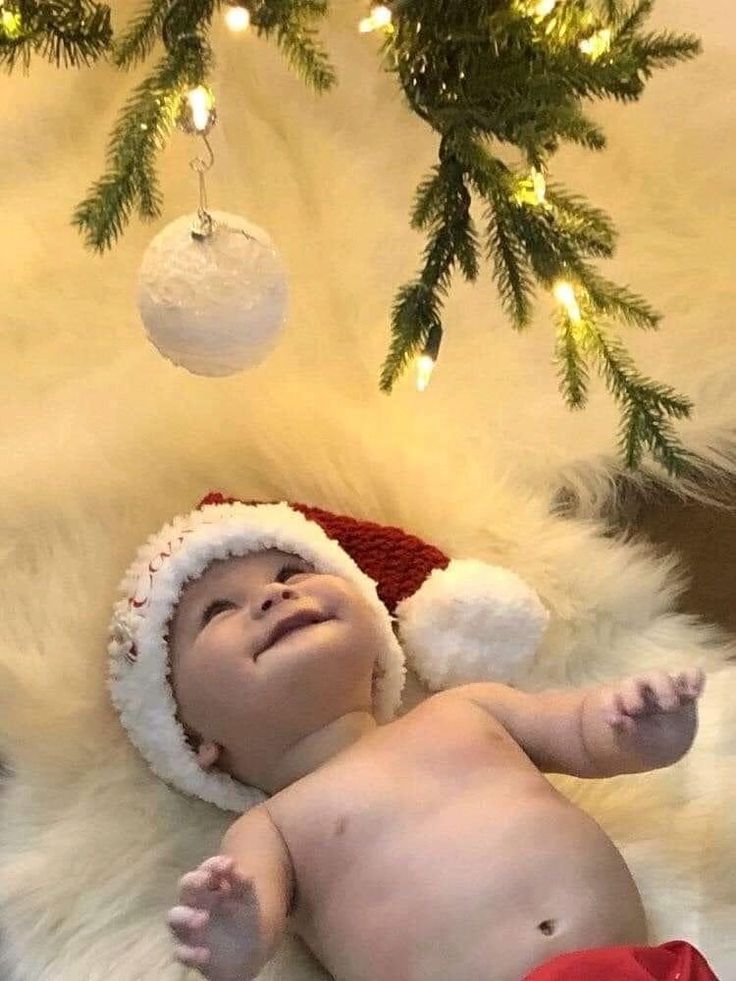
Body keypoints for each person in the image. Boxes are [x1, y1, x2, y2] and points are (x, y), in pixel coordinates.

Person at [106, 493, 719, 981]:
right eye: (218, 611)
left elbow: (587, 735)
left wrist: (650, 729)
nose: (272, 593)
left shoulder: (467, 709)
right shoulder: (271, 829)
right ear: (192, 735)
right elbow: (252, 930)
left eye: (292, 571)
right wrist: (232, 937)